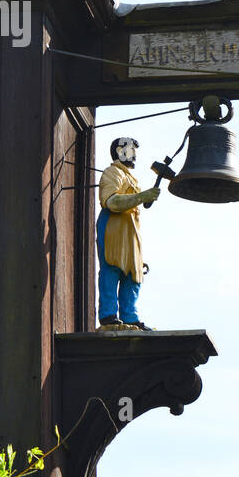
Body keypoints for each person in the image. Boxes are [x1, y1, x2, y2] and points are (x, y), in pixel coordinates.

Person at [97, 136, 159, 331]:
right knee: (112, 267)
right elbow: (112, 202)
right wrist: (142, 196)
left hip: (130, 230)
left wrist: (144, 197)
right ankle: (108, 315)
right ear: (120, 151)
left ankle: (130, 316)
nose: (134, 155)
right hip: (114, 227)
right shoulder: (112, 172)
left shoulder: (130, 177)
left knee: (134, 273)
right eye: (131, 150)